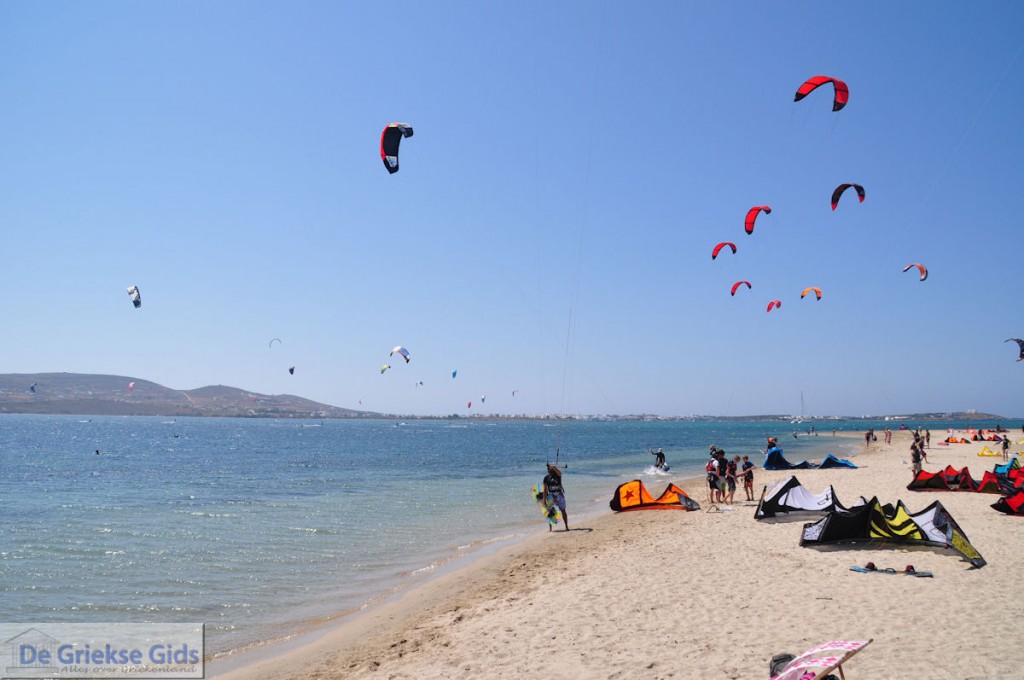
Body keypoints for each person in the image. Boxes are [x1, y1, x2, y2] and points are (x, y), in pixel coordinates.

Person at [541, 464, 568, 532]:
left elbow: (560, 473)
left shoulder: (558, 476)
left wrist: (553, 467)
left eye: (549, 469)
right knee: (549, 511)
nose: (548, 470)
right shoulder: (546, 478)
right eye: (548, 469)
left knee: (563, 510)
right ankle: (550, 528)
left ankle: (566, 527)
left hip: (559, 495)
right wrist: (544, 499)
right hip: (551, 495)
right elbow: (545, 489)